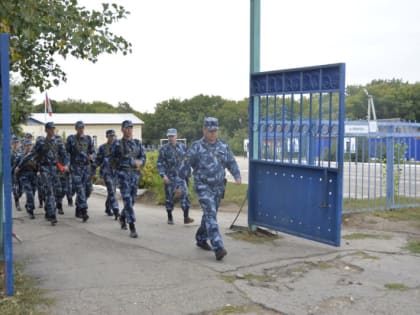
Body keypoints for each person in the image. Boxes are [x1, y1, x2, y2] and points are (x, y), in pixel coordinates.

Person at [179, 117, 241, 261]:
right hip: (202, 185)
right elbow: (185, 165)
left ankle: (201, 237)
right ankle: (218, 247)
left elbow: (231, 162)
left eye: (215, 131)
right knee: (211, 212)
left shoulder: (223, 146)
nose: (212, 133)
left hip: (219, 187)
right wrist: (180, 181)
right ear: (204, 130)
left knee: (209, 214)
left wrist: (237, 176)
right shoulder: (196, 146)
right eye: (210, 131)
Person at [20, 122, 69, 225]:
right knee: (50, 192)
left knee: (58, 191)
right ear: (46, 130)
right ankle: (52, 215)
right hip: (44, 169)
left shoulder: (58, 142)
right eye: (50, 129)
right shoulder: (41, 142)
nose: (52, 131)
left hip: (55, 169)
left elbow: (64, 156)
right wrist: (20, 166)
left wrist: (66, 165)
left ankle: (48, 209)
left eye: (53, 129)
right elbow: (31, 154)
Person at [110, 120, 146, 238]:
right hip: (123, 175)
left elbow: (142, 157)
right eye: (126, 128)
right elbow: (112, 160)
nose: (129, 130)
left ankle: (123, 216)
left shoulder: (137, 143)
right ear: (122, 129)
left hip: (134, 175)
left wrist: (140, 162)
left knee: (133, 199)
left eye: (130, 128)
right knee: (127, 199)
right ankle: (132, 226)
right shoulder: (117, 144)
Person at [157, 128, 193, 225]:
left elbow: (187, 161)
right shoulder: (163, 149)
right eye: (169, 136)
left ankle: (186, 217)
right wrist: (163, 175)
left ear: (176, 136)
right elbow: (160, 163)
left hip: (181, 177)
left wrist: (188, 174)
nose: (170, 138)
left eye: (172, 136)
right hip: (169, 177)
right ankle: (170, 217)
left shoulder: (182, 147)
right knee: (169, 198)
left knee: (185, 195)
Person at [66, 121, 96, 222]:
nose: (81, 129)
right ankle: (84, 211)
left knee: (88, 189)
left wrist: (92, 156)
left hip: (86, 168)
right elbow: (66, 152)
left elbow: (92, 151)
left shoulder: (88, 138)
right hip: (76, 168)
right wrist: (67, 165)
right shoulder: (71, 139)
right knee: (80, 189)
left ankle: (79, 206)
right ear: (76, 128)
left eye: (82, 127)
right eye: (79, 127)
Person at [96, 129, 120, 219]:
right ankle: (116, 210)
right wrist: (98, 174)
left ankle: (107, 207)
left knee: (112, 191)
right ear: (107, 137)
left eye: (113, 136)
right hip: (107, 172)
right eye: (110, 136)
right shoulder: (102, 148)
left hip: (115, 172)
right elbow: (98, 160)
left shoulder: (118, 147)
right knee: (112, 190)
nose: (112, 138)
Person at [14, 140, 37, 219]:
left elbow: (38, 165)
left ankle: (28, 205)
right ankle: (31, 210)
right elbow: (15, 167)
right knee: (29, 192)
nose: (29, 147)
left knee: (33, 192)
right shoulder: (20, 156)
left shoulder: (34, 156)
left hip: (33, 176)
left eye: (30, 145)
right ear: (24, 146)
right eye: (27, 145)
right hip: (24, 176)